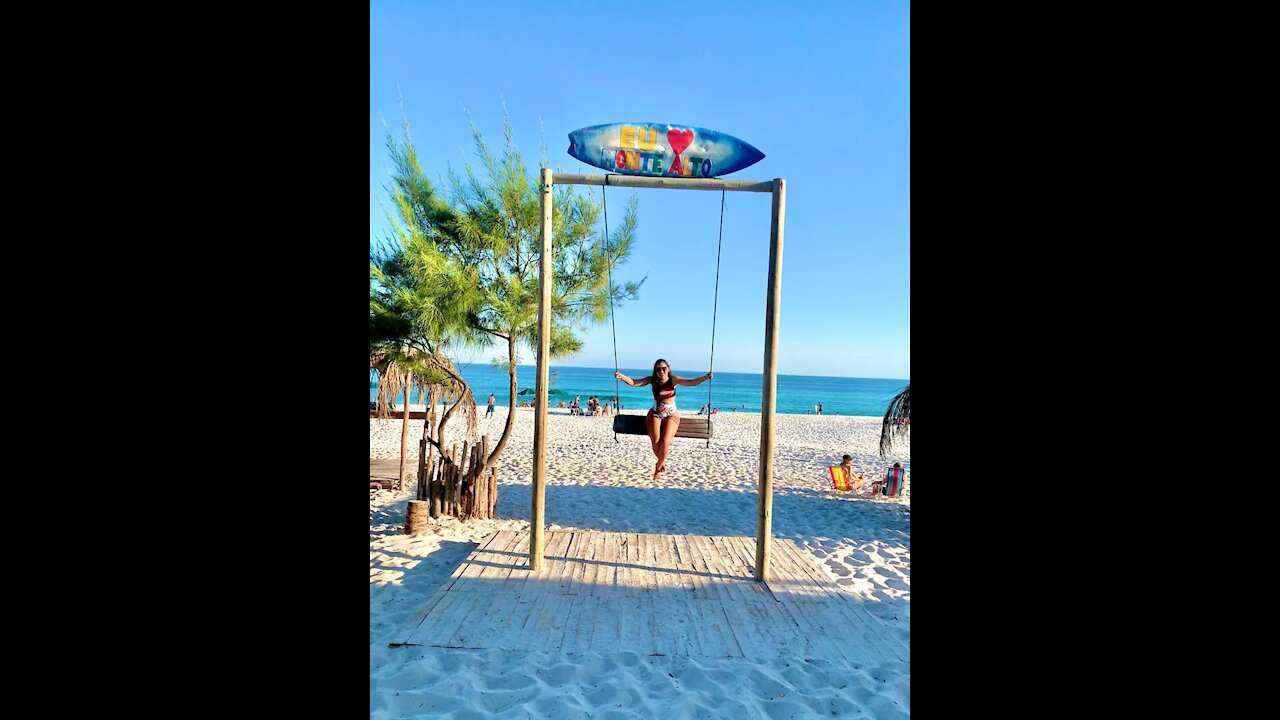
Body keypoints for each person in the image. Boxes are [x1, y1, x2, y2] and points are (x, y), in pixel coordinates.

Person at [615, 359, 713, 480]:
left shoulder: (673, 380)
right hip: (655, 412)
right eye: (658, 369)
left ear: (668, 369)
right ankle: (662, 463)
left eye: (663, 368)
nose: (661, 371)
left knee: (665, 441)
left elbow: (691, 382)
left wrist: (705, 377)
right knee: (656, 441)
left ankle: (659, 465)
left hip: (671, 413)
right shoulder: (652, 380)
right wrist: (622, 377)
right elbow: (635, 382)